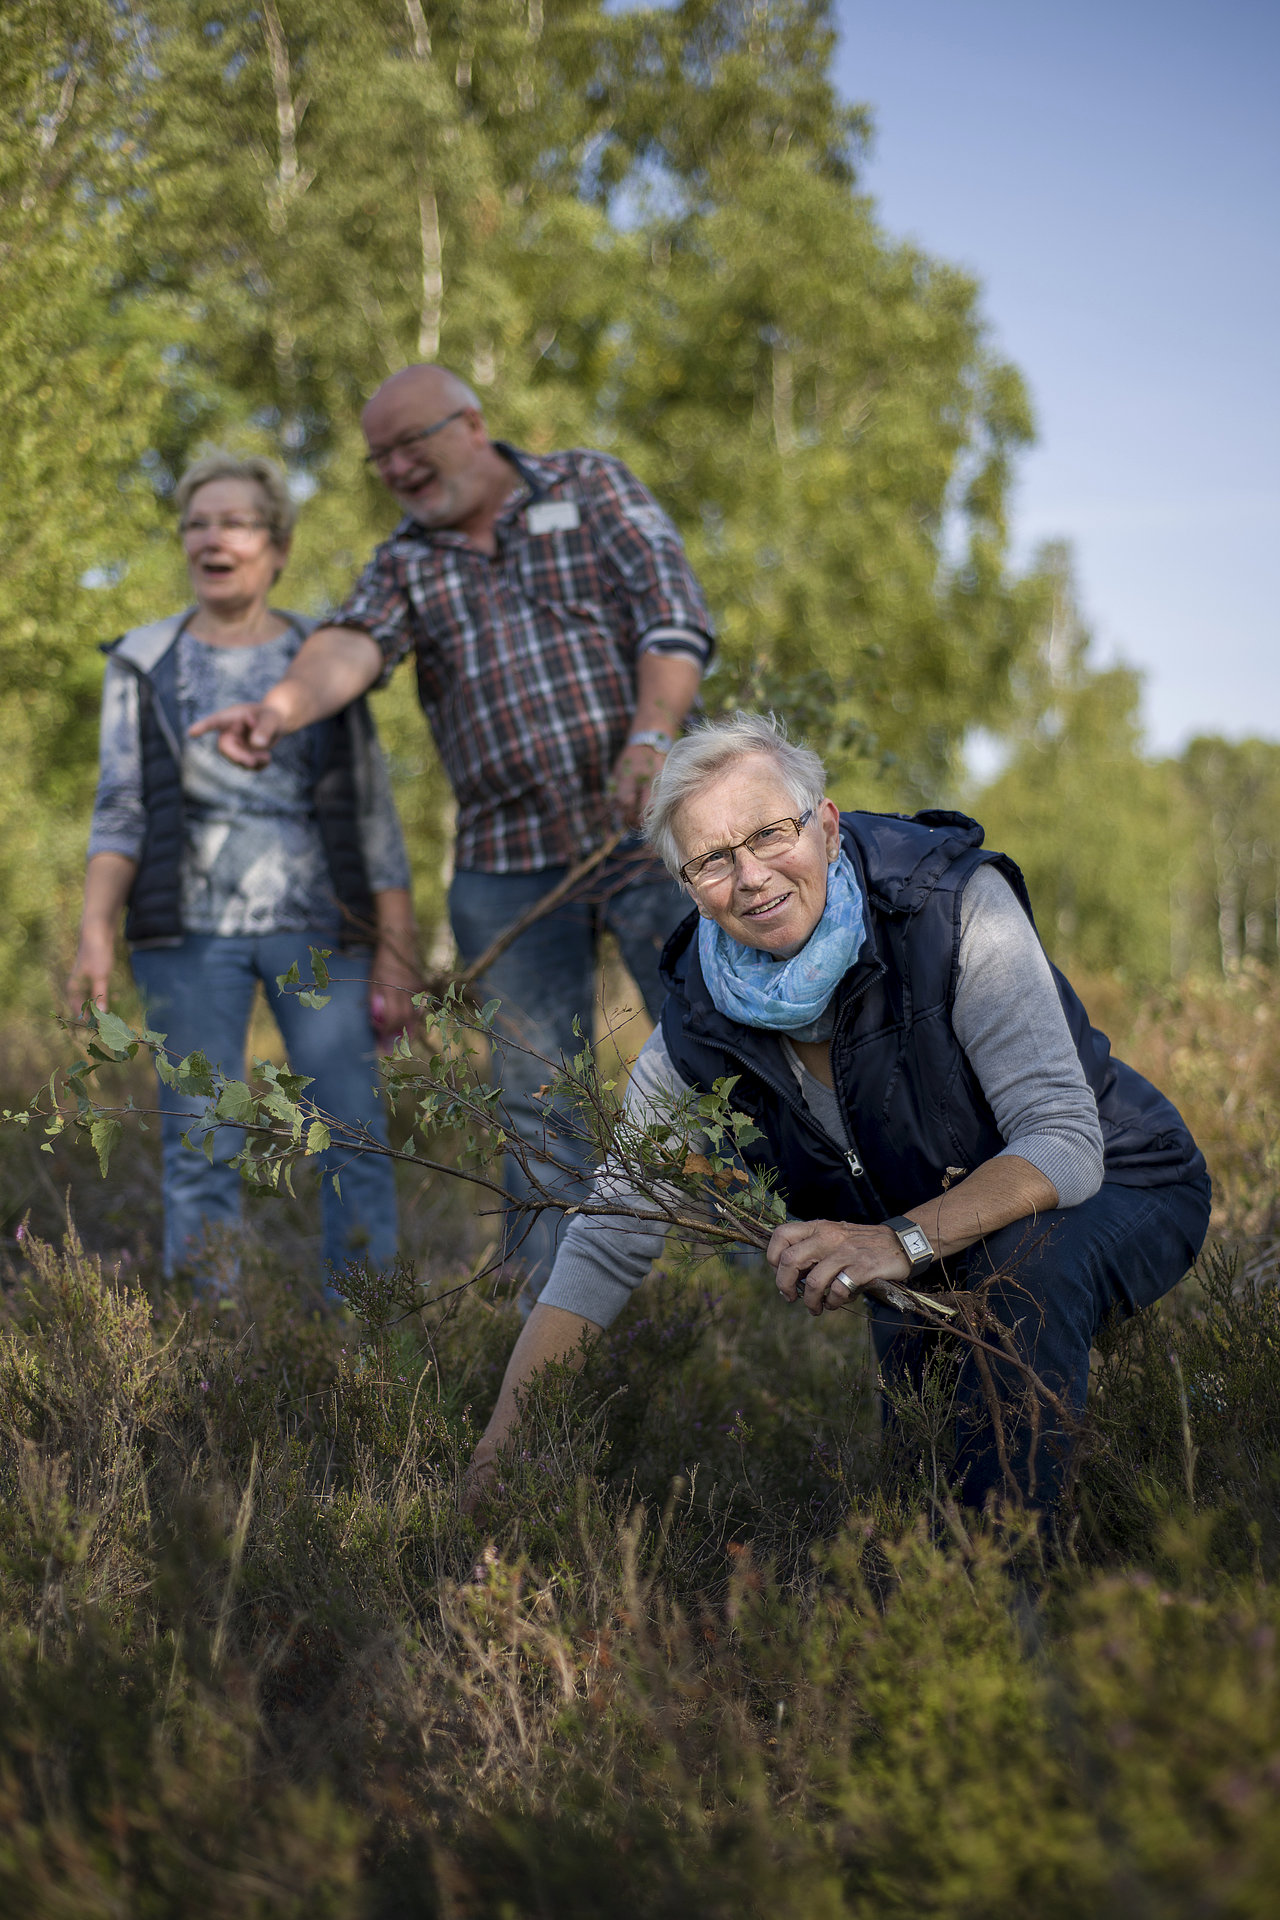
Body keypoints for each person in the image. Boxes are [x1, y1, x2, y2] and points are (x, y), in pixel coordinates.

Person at [464, 712, 1212, 1514]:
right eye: (713, 860)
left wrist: (897, 1240)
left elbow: (1064, 1142)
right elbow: (608, 1236)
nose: (749, 876)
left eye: (770, 833)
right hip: (926, 1237)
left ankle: (1007, 1611)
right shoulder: (695, 1028)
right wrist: (500, 1450)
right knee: (922, 1482)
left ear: (825, 828)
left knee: (1021, 1290)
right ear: (686, 887)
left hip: (1120, 1177)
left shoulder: (953, 910)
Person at [192, 365, 715, 1293]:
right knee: (533, 1089)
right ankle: (547, 1317)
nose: (394, 467)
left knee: (713, 1043)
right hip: (506, 862)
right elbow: (352, 644)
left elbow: (671, 619)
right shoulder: (404, 559)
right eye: (377, 456)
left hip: (649, 833)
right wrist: (276, 708)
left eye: (410, 443)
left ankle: (756, 1269)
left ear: (471, 424)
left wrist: (652, 738)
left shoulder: (586, 485)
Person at [70, 450, 418, 1286]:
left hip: (320, 934)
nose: (211, 537)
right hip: (184, 938)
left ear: (277, 546)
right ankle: (210, 1362)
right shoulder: (142, 659)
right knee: (199, 1141)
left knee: (352, 1134)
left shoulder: (324, 654)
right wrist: (93, 929)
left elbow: (372, 809)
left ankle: (374, 1346)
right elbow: (120, 803)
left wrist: (398, 944)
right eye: (197, 522)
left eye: (234, 521)